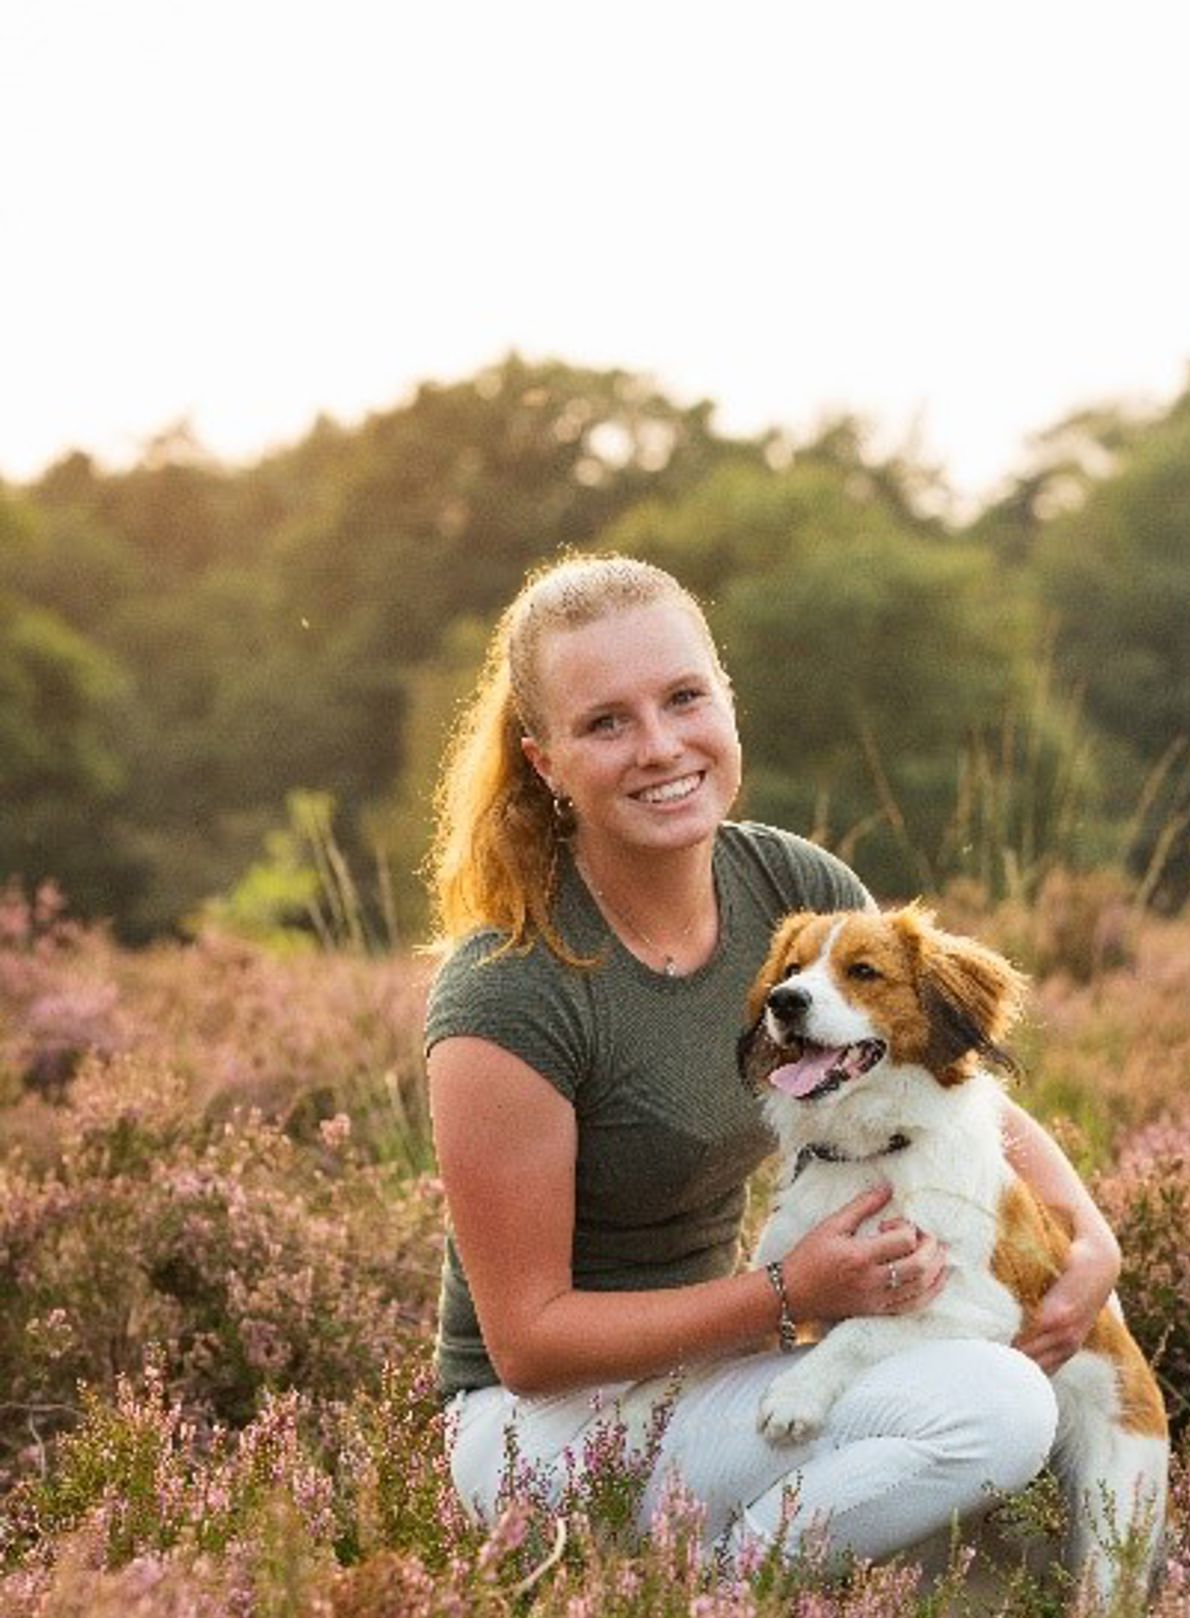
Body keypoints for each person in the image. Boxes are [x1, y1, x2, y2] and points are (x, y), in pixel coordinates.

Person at [424, 552, 1121, 1566]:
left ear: (726, 701)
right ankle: (717, 1613)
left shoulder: (789, 883)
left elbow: (931, 1083)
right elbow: (528, 1344)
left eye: (682, 697)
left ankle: (771, 1592)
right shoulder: (511, 988)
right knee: (998, 1410)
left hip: (721, 1365)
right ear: (545, 762)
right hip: (541, 1426)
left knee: (1007, 1427)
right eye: (606, 722)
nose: (661, 746)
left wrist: (1088, 1235)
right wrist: (792, 1295)